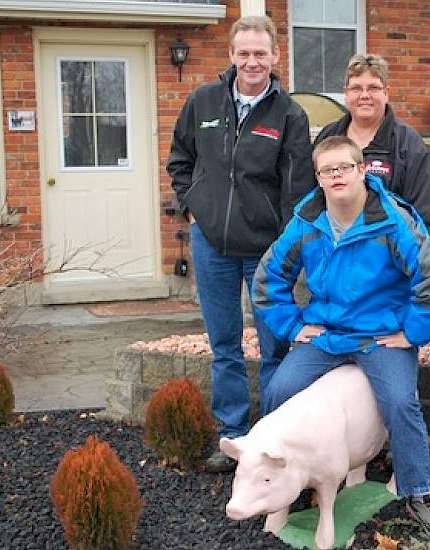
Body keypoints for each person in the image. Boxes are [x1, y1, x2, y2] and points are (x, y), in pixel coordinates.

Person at [253, 136, 430, 537]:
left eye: (345, 167)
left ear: (362, 169)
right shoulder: (307, 222)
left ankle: (419, 492)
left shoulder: (392, 220)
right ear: (318, 178)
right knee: (280, 390)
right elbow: (267, 280)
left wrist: (412, 332)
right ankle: (283, 482)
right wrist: (294, 326)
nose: (337, 176)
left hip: (379, 336)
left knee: (401, 403)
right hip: (328, 335)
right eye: (328, 170)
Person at [166, 15, 315, 473]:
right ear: (231, 55)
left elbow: (296, 190)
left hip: (265, 252)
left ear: (274, 57)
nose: (252, 61)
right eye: (244, 53)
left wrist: (288, 247)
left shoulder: (289, 115)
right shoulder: (203, 101)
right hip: (211, 245)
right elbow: (180, 158)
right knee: (225, 343)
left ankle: (270, 437)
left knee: (274, 346)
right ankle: (231, 437)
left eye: (261, 54)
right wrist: (193, 204)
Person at [314, 54, 430, 246]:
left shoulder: (408, 144)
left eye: (373, 88)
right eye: (356, 88)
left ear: (387, 92)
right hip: (333, 256)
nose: (364, 95)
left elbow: (427, 219)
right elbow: (311, 202)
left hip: (389, 264)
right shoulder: (328, 138)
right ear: (346, 93)